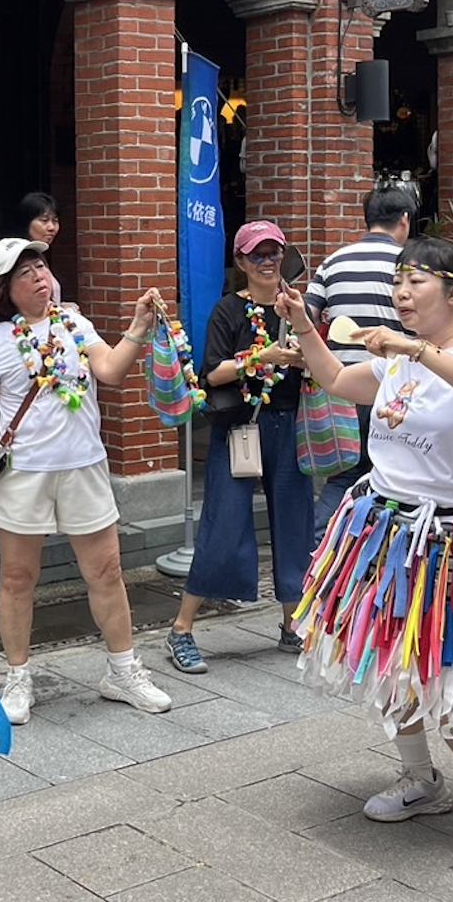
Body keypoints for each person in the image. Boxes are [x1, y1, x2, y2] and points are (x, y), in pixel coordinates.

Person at [279, 236, 453, 863]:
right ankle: (421, 779)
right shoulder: (393, 358)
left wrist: (414, 349)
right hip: (387, 534)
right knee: (392, 668)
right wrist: (305, 327)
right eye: (397, 283)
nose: (400, 293)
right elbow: (337, 378)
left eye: (416, 282)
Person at [0, 237, 172, 722]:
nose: (39, 277)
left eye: (41, 267)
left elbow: (112, 371)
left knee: (107, 572)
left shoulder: (76, 325)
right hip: (25, 473)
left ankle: (122, 671)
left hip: (84, 466)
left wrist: (138, 327)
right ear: (5, 291)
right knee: (17, 578)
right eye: (24, 273)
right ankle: (18, 677)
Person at [164, 220, 316, 673]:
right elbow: (211, 373)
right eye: (257, 256)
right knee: (223, 523)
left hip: (289, 425)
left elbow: (318, 360)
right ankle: (181, 629)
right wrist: (259, 358)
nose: (268, 263)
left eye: (274, 254)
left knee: (295, 525)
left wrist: (304, 356)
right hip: (241, 428)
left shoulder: (298, 306)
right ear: (242, 262)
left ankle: (293, 624)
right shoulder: (228, 310)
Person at [303, 187, 415, 531]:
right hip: (393, 388)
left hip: (340, 387)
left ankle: (323, 544)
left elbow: (305, 318)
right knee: (391, 476)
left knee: (345, 475)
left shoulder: (333, 261)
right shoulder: (410, 266)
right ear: (405, 220)